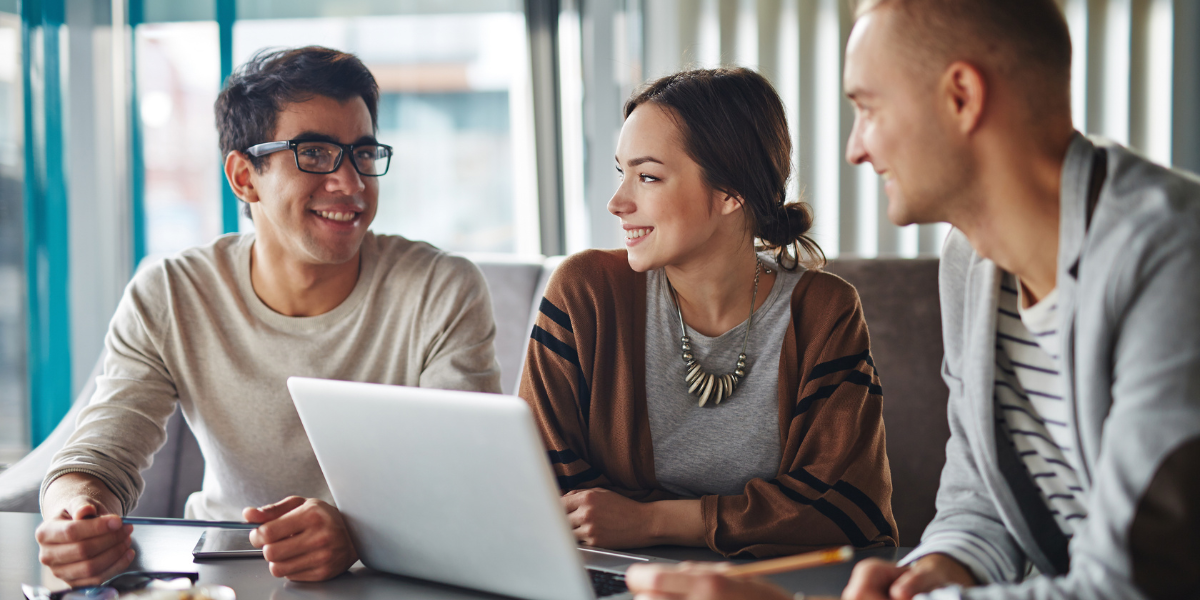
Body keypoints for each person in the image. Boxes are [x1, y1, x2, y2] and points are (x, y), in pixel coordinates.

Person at [625, 0, 1200, 599]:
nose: (856, 148)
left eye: (868, 108)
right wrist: (935, 573)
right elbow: (982, 498)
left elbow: (1138, 584)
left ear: (962, 97)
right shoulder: (972, 259)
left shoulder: (1173, 259)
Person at [35, 46, 501, 585]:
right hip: (214, 575)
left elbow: (466, 485)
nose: (350, 184)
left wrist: (360, 534)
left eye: (363, 153)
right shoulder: (172, 293)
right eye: (316, 153)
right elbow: (98, 457)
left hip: (391, 577)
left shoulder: (441, 290)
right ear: (243, 177)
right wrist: (77, 517)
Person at [519, 67, 897, 559]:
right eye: (622, 172)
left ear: (730, 193)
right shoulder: (586, 293)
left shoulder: (824, 312)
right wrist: (763, 516)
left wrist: (649, 520)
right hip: (615, 578)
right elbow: (540, 486)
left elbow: (849, 509)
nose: (618, 202)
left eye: (648, 176)